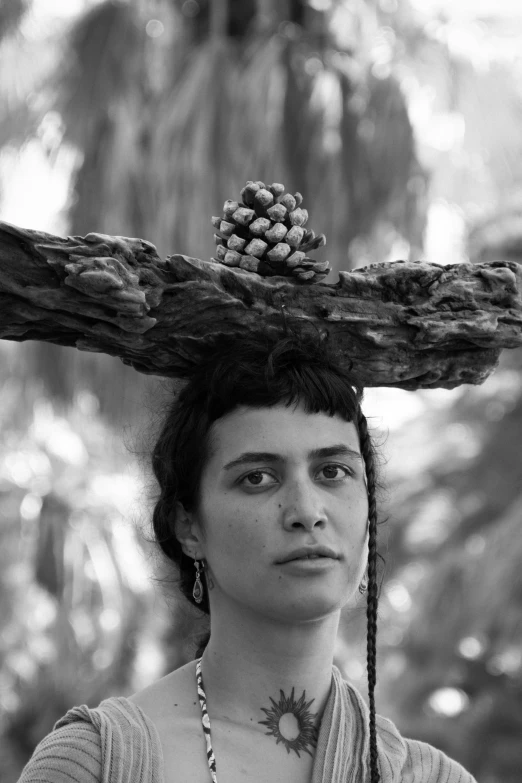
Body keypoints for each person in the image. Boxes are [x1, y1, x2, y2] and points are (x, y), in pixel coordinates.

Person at [17, 326, 477, 783]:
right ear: (188, 526)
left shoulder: (431, 777)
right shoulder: (94, 764)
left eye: (333, 471)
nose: (306, 511)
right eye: (257, 477)